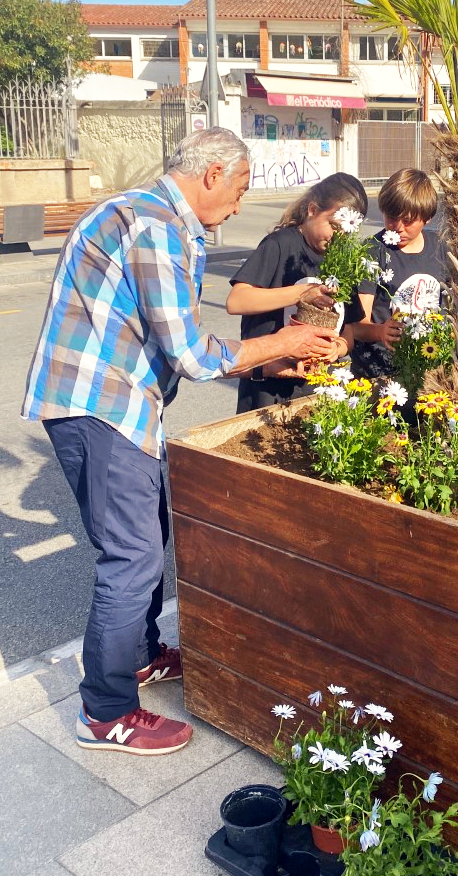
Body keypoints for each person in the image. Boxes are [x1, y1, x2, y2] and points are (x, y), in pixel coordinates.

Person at [22, 129, 338, 757]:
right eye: (241, 188)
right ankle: (105, 712)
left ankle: (139, 656)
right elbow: (193, 353)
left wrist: (268, 365)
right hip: (101, 408)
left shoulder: (150, 217)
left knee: (147, 539)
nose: (241, 205)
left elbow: (173, 344)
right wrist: (288, 342)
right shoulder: (155, 225)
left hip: (117, 406)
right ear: (214, 172)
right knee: (132, 557)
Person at [226, 173, 368, 412]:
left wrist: (338, 348)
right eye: (334, 226)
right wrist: (302, 293)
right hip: (266, 390)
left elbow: (349, 330)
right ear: (312, 210)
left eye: (347, 230)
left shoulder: (343, 260)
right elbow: (237, 301)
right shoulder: (280, 244)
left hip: (316, 392)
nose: (339, 237)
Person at [350, 169, 449, 380]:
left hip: (427, 366)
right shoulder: (372, 250)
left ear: (427, 218)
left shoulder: (440, 247)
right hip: (378, 370)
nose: (398, 228)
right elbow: (356, 325)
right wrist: (380, 332)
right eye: (392, 218)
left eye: (408, 221)